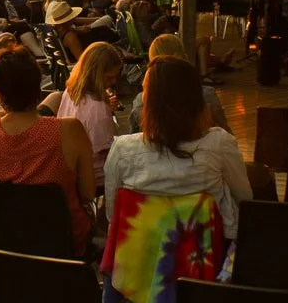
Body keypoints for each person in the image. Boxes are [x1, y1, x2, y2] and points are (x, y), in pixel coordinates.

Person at [0, 46, 96, 256]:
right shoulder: (70, 130)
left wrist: (5, 202)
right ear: (37, 85)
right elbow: (88, 193)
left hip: (8, 245)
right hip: (65, 243)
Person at [105, 55, 252, 239]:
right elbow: (245, 199)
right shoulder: (219, 143)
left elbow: (113, 214)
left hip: (145, 257)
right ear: (195, 99)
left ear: (148, 103)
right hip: (209, 256)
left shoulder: (122, 150)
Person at [129, 35, 230, 136]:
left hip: (156, 149)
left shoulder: (142, 101)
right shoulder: (205, 95)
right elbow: (224, 131)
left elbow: (135, 137)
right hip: (200, 148)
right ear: (183, 57)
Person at [57, 41, 122, 187]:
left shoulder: (70, 91)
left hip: (73, 167)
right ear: (96, 75)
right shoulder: (98, 109)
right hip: (95, 176)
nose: (114, 82)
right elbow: (107, 154)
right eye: (109, 77)